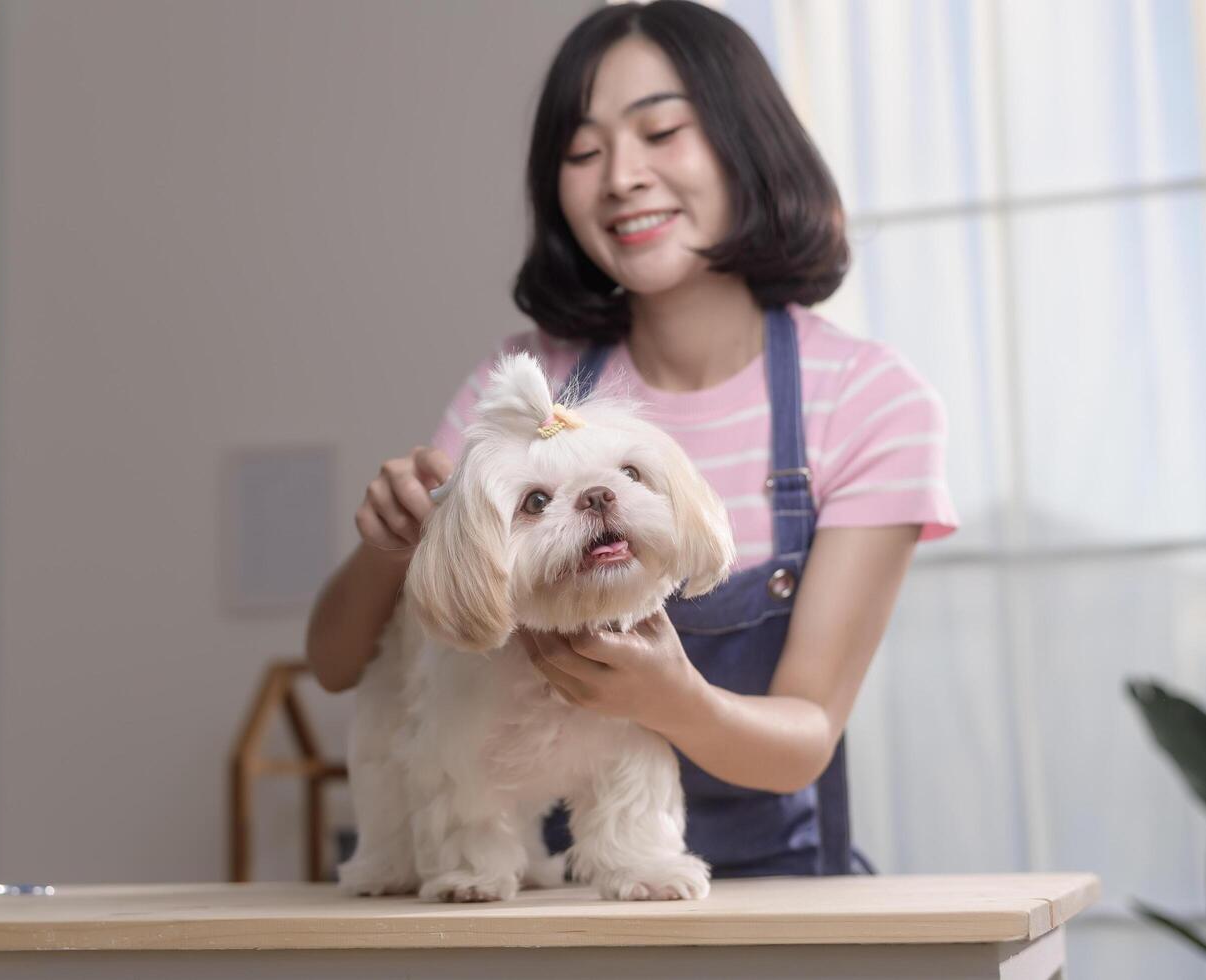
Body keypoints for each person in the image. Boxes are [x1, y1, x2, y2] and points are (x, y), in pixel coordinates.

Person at [306, 0, 957, 878]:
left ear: (745, 146)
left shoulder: (867, 401)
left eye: (661, 132)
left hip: (782, 903)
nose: (620, 176)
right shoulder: (519, 388)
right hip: (554, 914)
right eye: (583, 152)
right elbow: (337, 663)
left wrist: (672, 700)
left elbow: (804, 736)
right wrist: (394, 546)